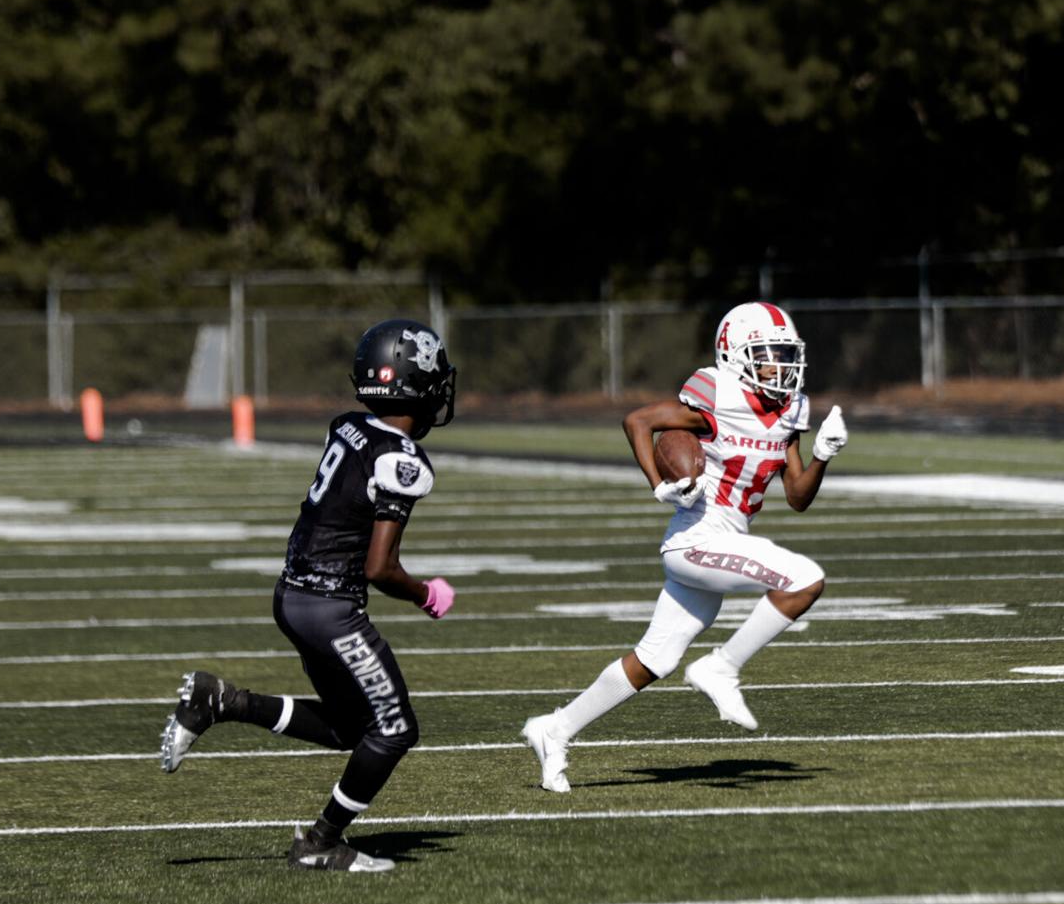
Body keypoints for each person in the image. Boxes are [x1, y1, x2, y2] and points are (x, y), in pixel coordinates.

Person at [160, 319, 458, 870]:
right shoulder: (403, 461)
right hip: (330, 608)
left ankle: (222, 701)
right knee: (394, 730)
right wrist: (424, 593)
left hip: (292, 595)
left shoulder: (348, 426)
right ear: (418, 385)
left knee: (349, 727)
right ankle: (321, 842)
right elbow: (379, 568)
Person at [522, 300, 847, 793]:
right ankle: (722, 666)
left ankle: (554, 729)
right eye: (768, 355)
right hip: (696, 540)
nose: (781, 366)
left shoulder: (789, 409)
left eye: (785, 354)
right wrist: (659, 485)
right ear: (735, 356)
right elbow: (638, 421)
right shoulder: (718, 393)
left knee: (655, 659)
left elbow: (798, 497)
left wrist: (822, 455)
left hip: (724, 542)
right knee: (805, 579)